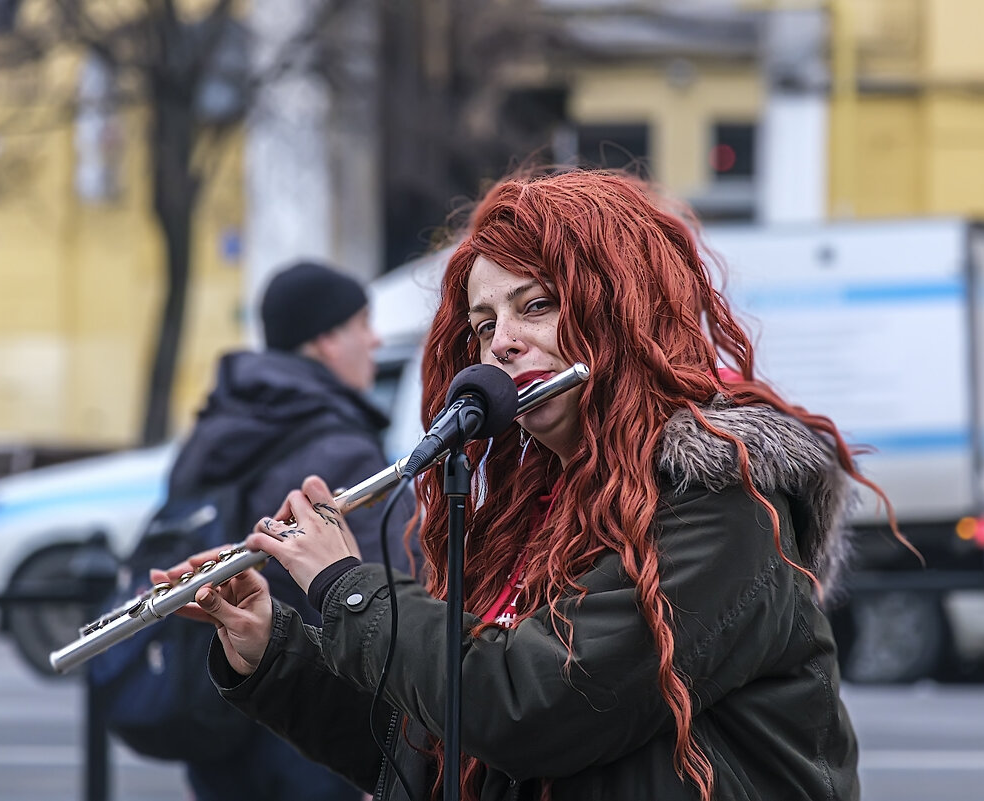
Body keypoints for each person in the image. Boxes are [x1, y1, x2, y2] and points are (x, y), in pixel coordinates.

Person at [165, 169, 902, 800]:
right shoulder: (529, 512)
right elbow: (444, 746)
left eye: (536, 305)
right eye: (484, 324)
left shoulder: (722, 505)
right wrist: (272, 650)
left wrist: (347, 586)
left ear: (622, 309)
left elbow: (534, 710)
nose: (503, 343)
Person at [166, 259, 415, 801]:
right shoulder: (340, 448)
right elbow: (387, 593)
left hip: (222, 696)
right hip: (311, 712)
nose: (375, 341)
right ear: (325, 339)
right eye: (362, 324)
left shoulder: (218, 424)